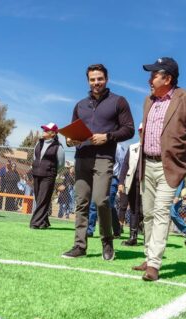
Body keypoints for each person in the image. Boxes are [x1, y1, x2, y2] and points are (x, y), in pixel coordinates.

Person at [131, 57, 186, 281]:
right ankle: (148, 256)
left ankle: (154, 264)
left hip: (169, 167)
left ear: (168, 78)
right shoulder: (148, 100)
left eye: (154, 75)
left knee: (162, 212)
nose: (149, 79)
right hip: (147, 163)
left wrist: (183, 157)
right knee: (147, 213)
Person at [62, 63, 134, 261]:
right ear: (88, 81)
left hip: (104, 158)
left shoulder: (118, 101)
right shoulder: (80, 105)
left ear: (106, 79)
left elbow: (129, 129)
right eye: (92, 79)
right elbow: (72, 132)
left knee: (101, 200)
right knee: (81, 202)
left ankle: (107, 242)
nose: (96, 82)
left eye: (100, 79)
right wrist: (69, 140)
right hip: (82, 156)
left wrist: (107, 137)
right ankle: (80, 246)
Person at [86, 141, 128, 238]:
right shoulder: (99, 145)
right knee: (93, 203)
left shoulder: (118, 148)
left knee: (109, 205)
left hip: (113, 178)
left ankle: (116, 229)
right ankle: (90, 230)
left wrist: (121, 181)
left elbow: (123, 165)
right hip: (99, 177)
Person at [30, 122, 65, 229]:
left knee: (43, 198)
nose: (44, 131)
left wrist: (51, 171)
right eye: (44, 129)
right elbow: (34, 157)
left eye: (46, 130)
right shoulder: (38, 143)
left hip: (48, 176)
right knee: (39, 199)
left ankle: (35, 223)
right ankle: (44, 222)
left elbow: (61, 164)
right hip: (36, 174)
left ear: (53, 133)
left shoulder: (58, 147)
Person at [118, 143, 142, 246]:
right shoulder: (132, 148)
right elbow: (125, 165)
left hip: (147, 183)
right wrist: (121, 182)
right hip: (132, 182)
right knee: (134, 209)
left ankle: (150, 238)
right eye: (140, 133)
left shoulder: (154, 148)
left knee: (146, 211)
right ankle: (133, 237)